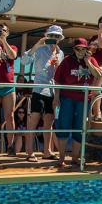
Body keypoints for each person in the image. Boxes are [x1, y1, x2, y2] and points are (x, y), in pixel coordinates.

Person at [53, 37, 101, 171]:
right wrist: (56, 97)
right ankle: (61, 158)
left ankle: (75, 158)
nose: (80, 51)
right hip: (67, 98)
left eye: (83, 49)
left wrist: (88, 62)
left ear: (87, 50)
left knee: (79, 128)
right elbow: (57, 80)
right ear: (74, 49)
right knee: (63, 127)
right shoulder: (67, 61)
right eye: (77, 49)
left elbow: (98, 75)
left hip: (84, 100)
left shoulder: (91, 60)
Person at [24, 25, 63, 161]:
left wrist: (58, 66)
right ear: (47, 36)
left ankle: (47, 151)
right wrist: (37, 45)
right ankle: (29, 152)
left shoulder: (60, 53)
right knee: (33, 121)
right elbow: (24, 61)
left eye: (56, 36)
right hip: (39, 89)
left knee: (49, 123)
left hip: (52, 92)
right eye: (51, 36)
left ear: (60, 38)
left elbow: (60, 75)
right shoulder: (40, 49)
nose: (54, 38)